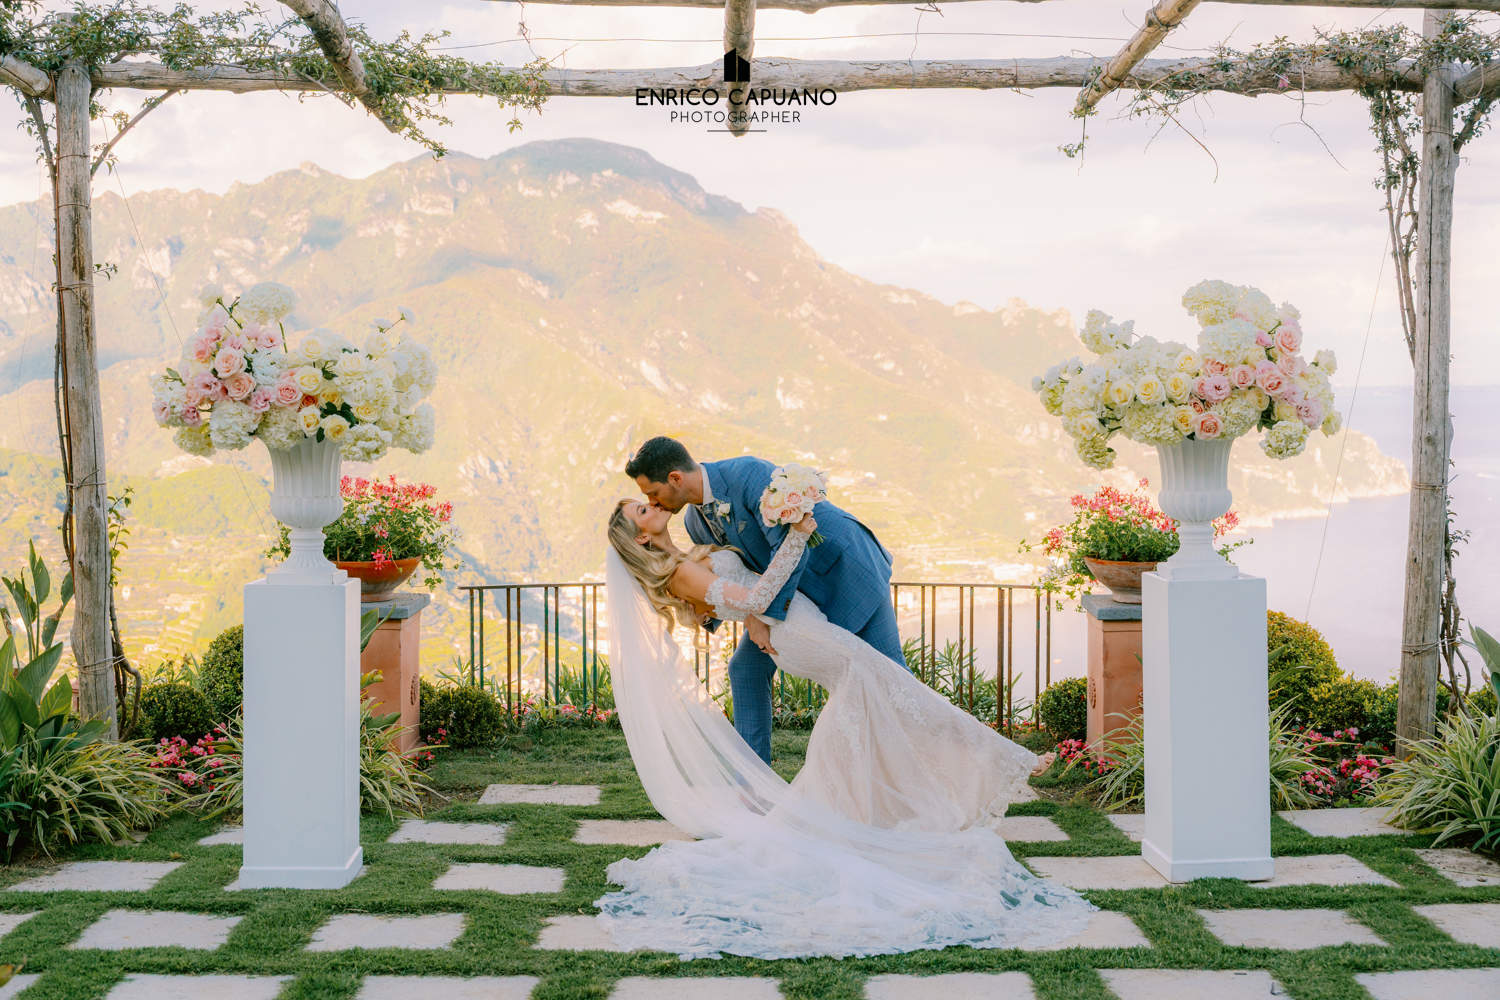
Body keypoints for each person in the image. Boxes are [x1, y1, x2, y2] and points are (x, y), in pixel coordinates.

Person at [596, 497, 1093, 960]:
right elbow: (757, 596)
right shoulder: (680, 572)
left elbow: (745, 605)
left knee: (878, 700)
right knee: (891, 691)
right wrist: (797, 535)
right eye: (641, 509)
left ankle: (859, 810)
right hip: (799, 635)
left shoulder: (688, 553)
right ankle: (1001, 761)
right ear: (640, 537)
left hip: (800, 625)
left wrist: (753, 614)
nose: (652, 504)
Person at [626, 436, 903, 764]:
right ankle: (754, 779)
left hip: (845, 570)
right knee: (746, 669)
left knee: (893, 680)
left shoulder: (747, 474)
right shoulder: (693, 522)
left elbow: (788, 547)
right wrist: (706, 610)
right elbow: (735, 575)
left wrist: (759, 616)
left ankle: (929, 759)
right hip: (792, 598)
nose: (653, 503)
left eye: (653, 493)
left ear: (675, 478)